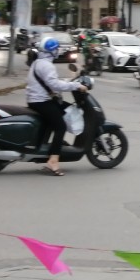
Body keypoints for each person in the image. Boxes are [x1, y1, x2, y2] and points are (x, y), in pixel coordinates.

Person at [26, 37, 87, 176]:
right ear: (53, 51)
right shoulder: (46, 65)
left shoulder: (38, 62)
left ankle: (55, 145)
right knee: (61, 127)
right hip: (41, 101)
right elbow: (54, 85)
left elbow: (51, 82)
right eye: (57, 49)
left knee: (65, 109)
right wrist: (76, 85)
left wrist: (67, 82)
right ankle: (53, 161)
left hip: (37, 100)